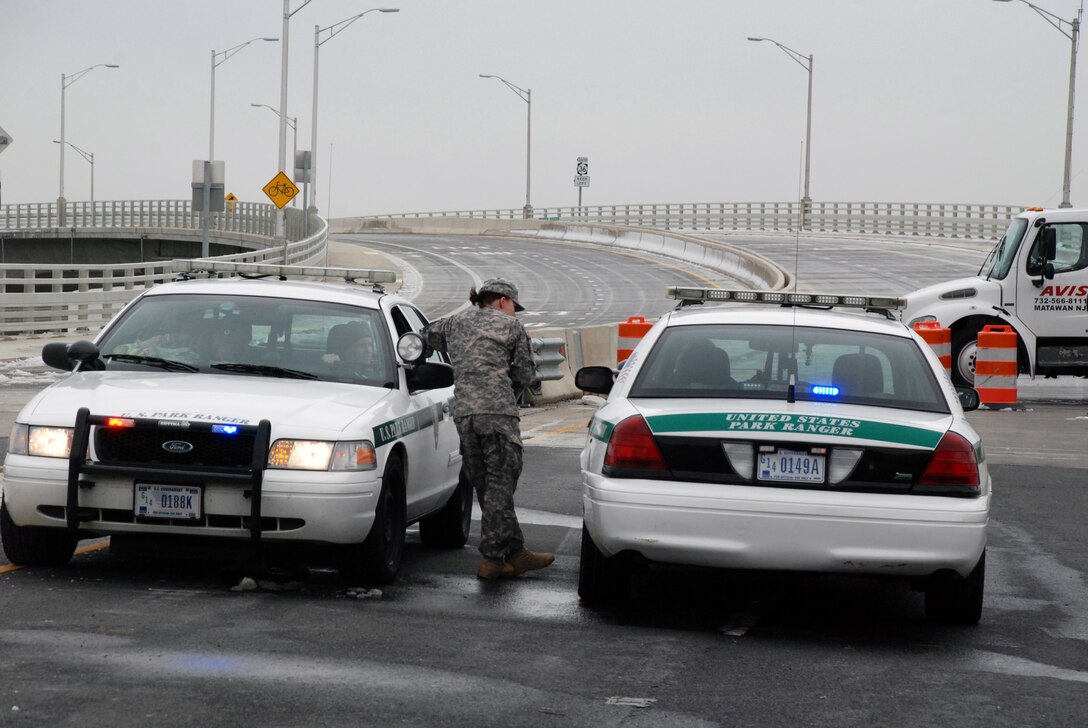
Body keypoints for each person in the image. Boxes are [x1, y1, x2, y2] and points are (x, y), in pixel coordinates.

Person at [422, 278, 554, 581]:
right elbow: (524, 373)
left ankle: (516, 551)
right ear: (504, 301)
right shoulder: (512, 327)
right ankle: (494, 559)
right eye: (514, 308)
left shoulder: (454, 322)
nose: (515, 314)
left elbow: (426, 335)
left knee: (488, 486)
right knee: (501, 483)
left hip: (465, 414)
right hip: (498, 415)